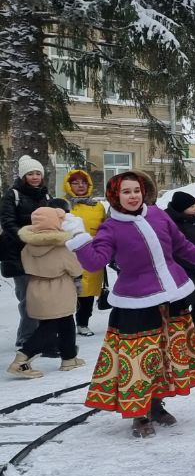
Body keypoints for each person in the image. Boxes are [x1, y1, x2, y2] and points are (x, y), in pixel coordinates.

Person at [66, 171, 195, 437]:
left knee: (165, 355)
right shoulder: (111, 227)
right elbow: (94, 262)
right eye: (126, 192)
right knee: (138, 359)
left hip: (172, 296)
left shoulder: (157, 215)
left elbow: (181, 246)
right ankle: (138, 414)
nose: (133, 196)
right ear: (115, 196)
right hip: (136, 302)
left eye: (136, 190)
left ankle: (155, 404)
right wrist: (78, 237)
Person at [10, 206, 84, 377]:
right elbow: (75, 268)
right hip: (59, 288)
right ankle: (22, 359)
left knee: (65, 322)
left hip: (36, 287)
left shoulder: (27, 246)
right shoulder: (60, 246)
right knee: (50, 327)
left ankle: (69, 357)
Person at [1, 155, 51, 353]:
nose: (35, 177)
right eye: (30, 173)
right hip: (18, 254)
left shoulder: (45, 196)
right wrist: (26, 237)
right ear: (23, 176)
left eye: (38, 173)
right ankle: (25, 338)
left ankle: (41, 336)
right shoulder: (12, 195)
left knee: (42, 296)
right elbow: (7, 222)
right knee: (27, 297)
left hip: (42, 254)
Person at [63, 169, 107, 336]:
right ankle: (64, 325)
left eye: (83, 182)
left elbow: (105, 228)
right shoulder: (62, 204)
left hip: (91, 254)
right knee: (66, 291)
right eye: (75, 182)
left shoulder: (98, 206)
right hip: (68, 255)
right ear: (68, 185)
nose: (80, 186)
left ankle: (82, 323)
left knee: (87, 292)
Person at [166, 191, 195, 342]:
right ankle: (183, 335)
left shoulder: (193, 221)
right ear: (181, 208)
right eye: (192, 206)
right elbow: (178, 249)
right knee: (183, 305)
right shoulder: (173, 223)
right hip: (183, 269)